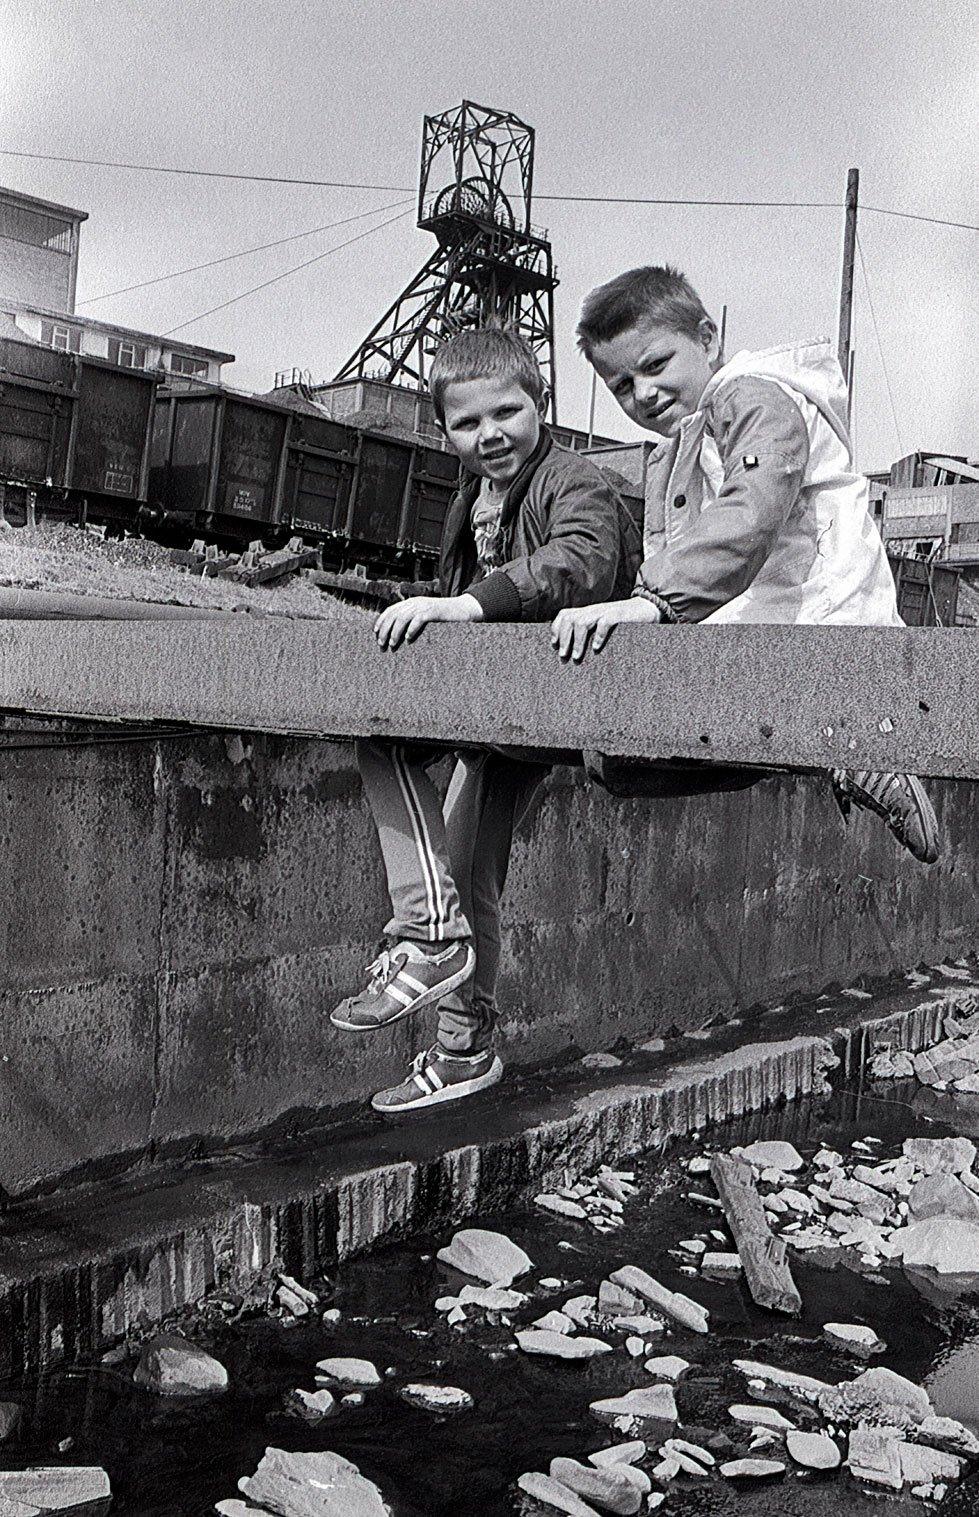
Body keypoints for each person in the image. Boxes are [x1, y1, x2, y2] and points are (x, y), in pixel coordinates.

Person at [330, 326, 641, 1114]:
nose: (489, 433)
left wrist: (464, 605)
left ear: (541, 404)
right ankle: (463, 1046)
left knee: (391, 740)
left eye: (507, 412)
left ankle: (428, 936)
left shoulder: (576, 481)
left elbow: (579, 563)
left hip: (561, 693)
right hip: (500, 702)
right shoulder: (474, 497)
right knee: (465, 873)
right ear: (445, 432)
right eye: (468, 424)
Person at [551, 264, 940, 864]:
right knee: (614, 759)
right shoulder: (685, 443)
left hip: (822, 632)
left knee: (622, 743)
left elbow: (752, 508)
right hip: (766, 640)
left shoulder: (754, 395)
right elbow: (679, 545)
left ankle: (858, 747)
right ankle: (823, 749)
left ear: (708, 339)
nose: (644, 394)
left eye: (656, 366)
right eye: (623, 385)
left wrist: (654, 602)